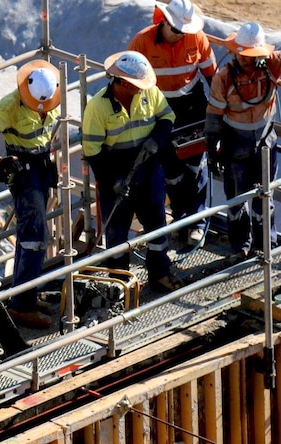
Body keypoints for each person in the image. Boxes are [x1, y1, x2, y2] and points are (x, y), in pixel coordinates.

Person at [205, 22, 281, 262]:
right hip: (235, 144)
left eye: (251, 56)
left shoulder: (272, 63)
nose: (247, 61)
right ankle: (239, 248)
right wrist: (212, 149)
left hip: (265, 143)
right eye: (243, 56)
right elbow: (214, 114)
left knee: (264, 197)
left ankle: (264, 246)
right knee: (236, 200)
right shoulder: (223, 78)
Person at [82, 51, 183, 293]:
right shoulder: (97, 107)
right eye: (136, 85)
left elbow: (167, 117)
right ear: (123, 83)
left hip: (148, 170)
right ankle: (119, 286)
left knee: (157, 225)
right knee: (116, 233)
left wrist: (156, 140)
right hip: (115, 172)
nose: (141, 89)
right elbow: (93, 151)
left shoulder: (149, 93)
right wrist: (113, 180)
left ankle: (160, 273)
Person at [0, 60, 61, 329]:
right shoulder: (10, 105)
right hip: (24, 173)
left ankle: (25, 295)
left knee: (28, 237)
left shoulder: (47, 97)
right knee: (36, 238)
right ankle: (22, 306)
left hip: (42, 167)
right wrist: (1, 161)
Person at [128, 0, 217, 246]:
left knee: (197, 166)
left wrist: (219, 112)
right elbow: (130, 82)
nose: (181, 36)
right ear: (164, 22)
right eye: (177, 30)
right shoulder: (142, 42)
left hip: (192, 106)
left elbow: (212, 76)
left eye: (185, 32)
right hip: (161, 109)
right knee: (171, 171)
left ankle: (197, 222)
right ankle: (180, 220)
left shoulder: (197, 39)